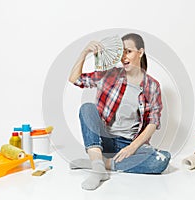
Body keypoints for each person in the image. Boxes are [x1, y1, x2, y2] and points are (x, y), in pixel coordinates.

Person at [68, 33, 171, 190]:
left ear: (140, 52)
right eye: (121, 52)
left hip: (128, 143)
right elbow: (74, 78)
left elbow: (153, 122)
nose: (123, 57)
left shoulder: (152, 85)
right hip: (105, 140)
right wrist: (84, 52)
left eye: (128, 51)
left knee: (162, 159)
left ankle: (100, 164)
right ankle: (97, 166)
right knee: (87, 108)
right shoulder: (110, 74)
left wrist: (132, 148)